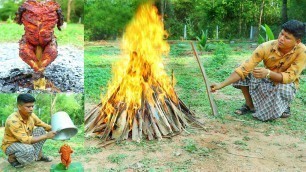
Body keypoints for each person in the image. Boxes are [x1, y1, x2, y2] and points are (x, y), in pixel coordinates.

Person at [211, 20, 306, 121]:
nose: (281, 38)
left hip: (286, 85)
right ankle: (249, 105)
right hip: (267, 80)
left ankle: (284, 106)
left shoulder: (302, 52)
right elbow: (244, 68)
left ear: (297, 41)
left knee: (278, 96)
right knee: (244, 71)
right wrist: (220, 85)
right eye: (281, 34)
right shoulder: (266, 47)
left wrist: (268, 73)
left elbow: (289, 77)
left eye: (287, 38)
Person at [1, 93, 57, 168]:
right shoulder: (13, 120)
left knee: (41, 130)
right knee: (29, 150)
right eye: (28, 107)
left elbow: (43, 125)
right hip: (11, 145)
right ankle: (12, 158)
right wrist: (46, 136)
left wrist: (59, 131)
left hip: (24, 141)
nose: (31, 109)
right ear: (19, 106)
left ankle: (39, 156)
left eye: (32, 106)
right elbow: (26, 140)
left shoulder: (31, 115)